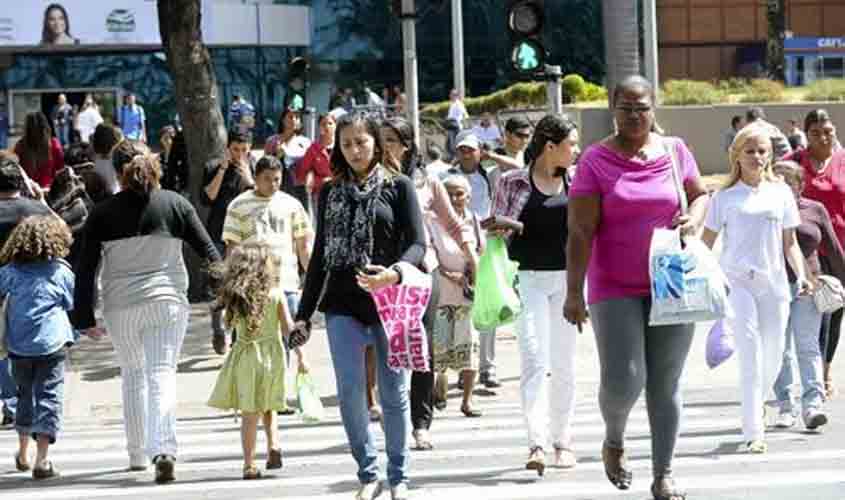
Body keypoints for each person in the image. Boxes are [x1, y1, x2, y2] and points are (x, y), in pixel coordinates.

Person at [565, 75, 709, 500]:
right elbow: (579, 231)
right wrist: (574, 292)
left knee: (665, 382)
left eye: (641, 107)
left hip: (670, 281)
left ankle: (663, 475)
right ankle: (614, 438)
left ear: (654, 109)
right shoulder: (595, 160)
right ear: (613, 108)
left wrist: (696, 218)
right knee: (626, 379)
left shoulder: (674, 151)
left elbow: (700, 194)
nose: (633, 115)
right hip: (613, 285)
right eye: (625, 107)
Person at [294, 112, 425, 500]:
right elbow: (318, 258)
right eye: (347, 144)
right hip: (342, 304)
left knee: (394, 393)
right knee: (351, 391)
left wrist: (395, 273)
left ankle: (399, 476)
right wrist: (302, 315)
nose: (354, 150)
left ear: (377, 144)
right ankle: (369, 473)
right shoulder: (329, 192)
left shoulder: (399, 187)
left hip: (390, 302)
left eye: (361, 142)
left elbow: (418, 244)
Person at [72, 149, 221, 482]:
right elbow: (210, 254)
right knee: (161, 372)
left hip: (120, 306)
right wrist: (225, 294)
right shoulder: (176, 204)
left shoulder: (102, 213)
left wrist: (83, 316)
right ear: (157, 173)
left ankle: (137, 454)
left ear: (121, 174)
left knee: (133, 373)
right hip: (166, 301)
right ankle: (164, 449)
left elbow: (86, 268)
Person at [702, 123, 808, 455]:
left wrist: (801, 274)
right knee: (750, 355)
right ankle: (753, 430)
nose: (757, 157)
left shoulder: (781, 194)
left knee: (774, 355)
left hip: (774, 284)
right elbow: (706, 243)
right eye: (750, 151)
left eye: (762, 151)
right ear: (737, 155)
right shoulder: (723, 197)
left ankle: (758, 403)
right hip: (738, 284)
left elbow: (789, 243)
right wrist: (711, 279)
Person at [485, 114, 581, 474]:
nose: (576, 151)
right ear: (550, 146)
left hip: (569, 283)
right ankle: (536, 443)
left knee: (565, 364)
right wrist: (505, 227)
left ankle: (563, 440)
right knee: (535, 360)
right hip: (526, 280)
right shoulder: (511, 182)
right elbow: (494, 233)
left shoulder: (578, 181)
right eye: (571, 144)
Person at [380, 116, 480, 450]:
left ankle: (421, 424)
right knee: (388, 348)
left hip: (424, 272)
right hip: (384, 274)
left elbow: (453, 223)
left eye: (392, 141)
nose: (385, 147)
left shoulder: (427, 182)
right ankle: (390, 411)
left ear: (407, 145)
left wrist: (470, 253)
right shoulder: (371, 181)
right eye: (381, 140)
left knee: (423, 347)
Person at [0, 215, 101, 479]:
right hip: (52, 344)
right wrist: (88, 328)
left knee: (23, 394)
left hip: (18, 345)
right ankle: (42, 460)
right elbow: (72, 304)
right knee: (49, 397)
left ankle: (23, 453)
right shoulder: (61, 271)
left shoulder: (8, 272)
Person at [221, 155, 313, 411]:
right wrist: (231, 284)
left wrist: (314, 279)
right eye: (266, 179)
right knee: (249, 340)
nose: (272, 185)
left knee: (283, 339)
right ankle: (247, 392)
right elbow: (233, 247)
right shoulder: (238, 206)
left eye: (277, 180)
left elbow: (303, 246)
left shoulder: (292, 205)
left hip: (286, 282)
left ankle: (277, 396)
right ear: (256, 178)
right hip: (251, 284)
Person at [207, 243, 292, 479]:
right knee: (269, 401)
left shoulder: (238, 298)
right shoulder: (276, 294)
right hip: (272, 357)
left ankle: (249, 464)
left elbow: (227, 324)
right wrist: (302, 356)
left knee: (249, 413)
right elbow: (288, 330)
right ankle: (274, 444)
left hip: (245, 357)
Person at [771, 160, 843, 431]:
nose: (783, 187)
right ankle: (785, 405)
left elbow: (833, 248)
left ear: (800, 185)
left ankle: (812, 405)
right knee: (780, 348)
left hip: (807, 286)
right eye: (776, 181)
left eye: (788, 182)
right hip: (774, 288)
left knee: (808, 345)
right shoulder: (766, 211)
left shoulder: (815, 209)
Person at [786, 109, 845, 400]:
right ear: (805, 135)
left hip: (839, 247)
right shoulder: (793, 162)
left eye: (828, 131)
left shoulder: (843, 161)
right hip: (805, 248)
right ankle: (807, 376)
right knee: (814, 314)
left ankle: (825, 370)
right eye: (816, 132)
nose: (823, 137)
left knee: (834, 309)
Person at [0, 156, 53, 430]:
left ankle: (9, 402)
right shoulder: (35, 210)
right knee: (25, 350)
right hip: (31, 292)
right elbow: (62, 233)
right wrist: (40, 199)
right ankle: (20, 403)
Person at [428, 174, 484, 416]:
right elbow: (428, 254)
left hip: (467, 294)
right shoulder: (431, 221)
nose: (454, 198)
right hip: (440, 291)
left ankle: (467, 401)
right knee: (439, 349)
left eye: (459, 193)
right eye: (448, 193)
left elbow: (480, 252)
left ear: (469, 196)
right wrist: (450, 275)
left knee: (470, 347)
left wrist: (470, 276)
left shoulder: (474, 220)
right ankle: (438, 390)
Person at [446, 134, 499, 388]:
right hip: (455, 249)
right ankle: (463, 368)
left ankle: (487, 367)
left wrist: (491, 156)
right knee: (458, 310)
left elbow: (518, 168)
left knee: (487, 311)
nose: (466, 154)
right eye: (462, 150)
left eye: (471, 150)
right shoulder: (445, 176)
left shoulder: (489, 175)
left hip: (484, 246)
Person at [202, 131, 256, 355]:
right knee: (217, 284)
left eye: (244, 150)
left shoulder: (252, 166)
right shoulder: (214, 166)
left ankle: (236, 336)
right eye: (236, 149)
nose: (240, 154)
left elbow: (259, 197)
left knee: (240, 285)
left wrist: (248, 176)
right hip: (217, 232)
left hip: (243, 235)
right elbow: (208, 197)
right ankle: (218, 329)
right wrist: (223, 169)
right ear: (228, 148)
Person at [264, 108, 312, 209]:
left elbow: (311, 165)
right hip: (278, 186)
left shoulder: (306, 142)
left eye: (297, 118)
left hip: (300, 187)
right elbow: (265, 167)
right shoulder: (272, 141)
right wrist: (277, 155)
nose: (293, 120)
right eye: (290, 117)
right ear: (283, 120)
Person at [297, 113, 336, 220]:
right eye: (323, 124)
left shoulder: (342, 147)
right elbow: (301, 175)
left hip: (340, 193)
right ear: (319, 127)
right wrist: (320, 180)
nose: (327, 126)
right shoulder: (313, 149)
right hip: (320, 195)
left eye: (330, 123)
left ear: (335, 125)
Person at [14, 112, 64, 190]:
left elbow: (17, 171)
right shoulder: (54, 144)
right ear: (45, 126)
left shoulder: (20, 146)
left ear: (26, 128)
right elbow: (60, 170)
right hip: (49, 192)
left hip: (27, 192)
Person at [486, 117, 533, 198]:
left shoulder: (529, 155)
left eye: (527, 136)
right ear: (507, 134)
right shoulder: (495, 155)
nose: (524, 140)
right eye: (519, 135)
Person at [89, 124, 124, 200]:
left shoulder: (96, 161)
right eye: (121, 143)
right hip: (115, 198)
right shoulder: (114, 162)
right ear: (113, 144)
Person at [445, 89, 469, 159]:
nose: (451, 96)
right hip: (450, 126)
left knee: (454, 146)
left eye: (453, 94)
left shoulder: (458, 104)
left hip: (456, 127)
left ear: (457, 96)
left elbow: (465, 115)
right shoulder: (452, 104)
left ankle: (457, 159)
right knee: (449, 146)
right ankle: (453, 159)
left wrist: (466, 126)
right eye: (451, 94)